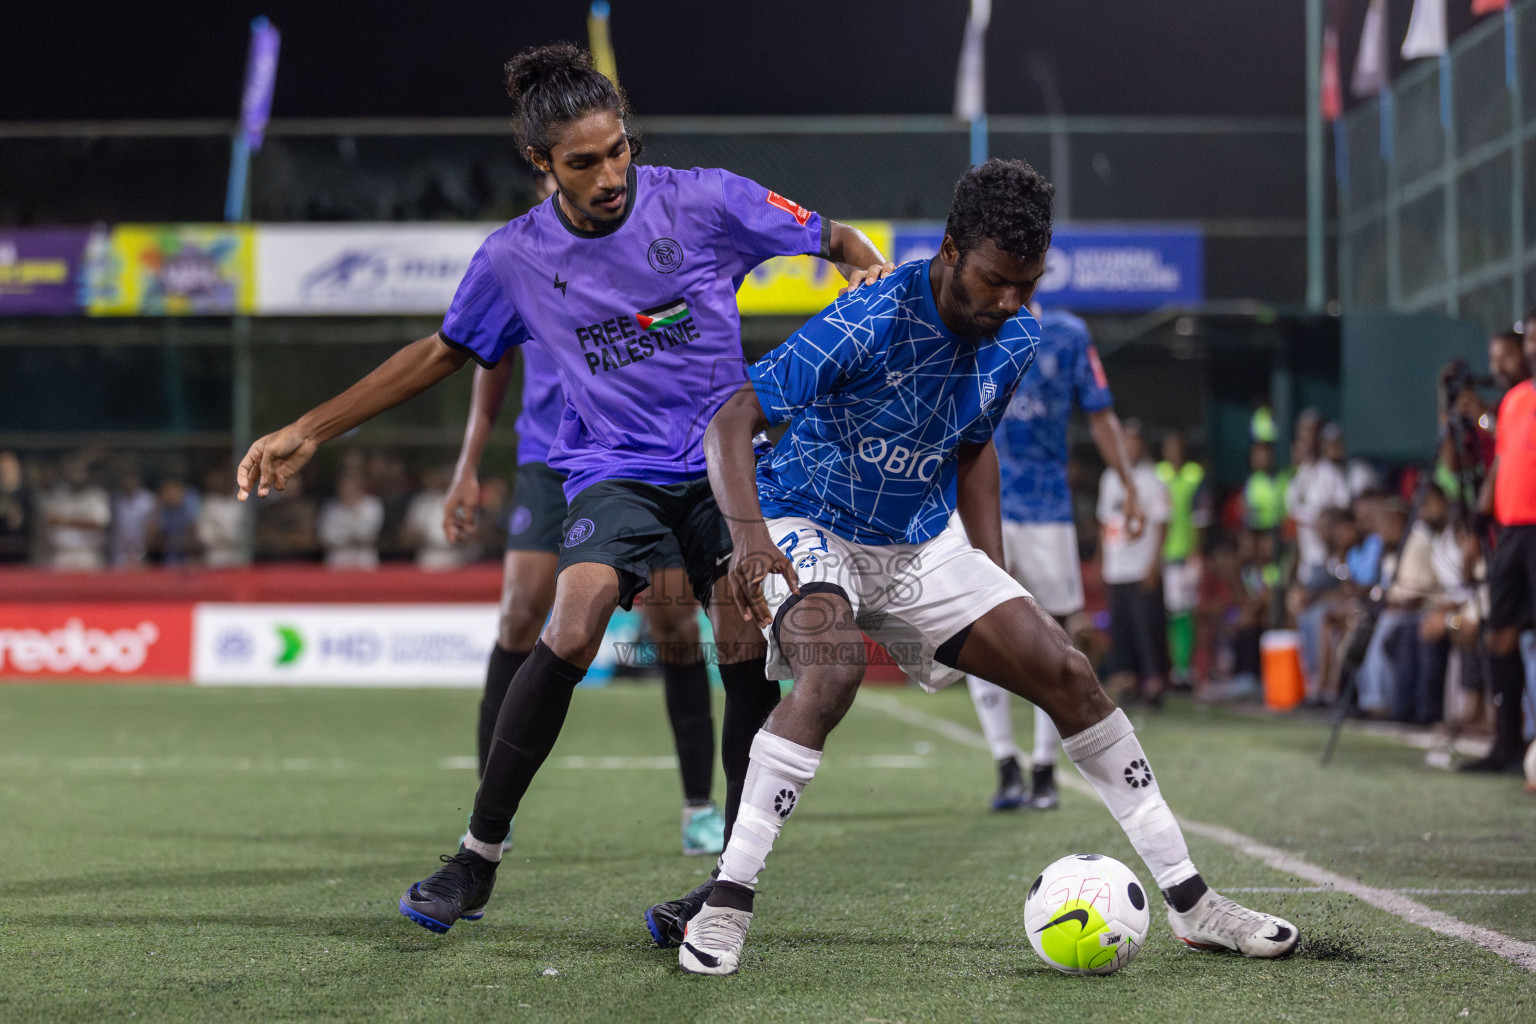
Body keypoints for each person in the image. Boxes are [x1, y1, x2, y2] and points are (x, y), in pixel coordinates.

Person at [235, 43, 894, 936]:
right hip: (613, 470)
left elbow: (833, 237)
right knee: (570, 620)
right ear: (541, 163)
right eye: (584, 161)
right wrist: (309, 428)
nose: (611, 172)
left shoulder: (700, 199)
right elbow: (441, 354)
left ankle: (727, 881)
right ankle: (476, 858)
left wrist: (862, 269)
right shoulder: (514, 258)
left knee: (741, 643)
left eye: (618, 148)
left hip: (721, 466)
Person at [683, 158, 1297, 976]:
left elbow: (973, 451)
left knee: (1068, 671)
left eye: (1027, 284)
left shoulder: (1019, 336)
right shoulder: (868, 316)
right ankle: (728, 900)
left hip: (921, 541)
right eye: (995, 281)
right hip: (807, 521)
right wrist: (752, 537)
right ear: (948, 252)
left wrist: (992, 573)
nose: (1009, 301)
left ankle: (1195, 905)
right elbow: (732, 420)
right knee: (830, 677)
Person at [441, 338, 725, 856]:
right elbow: (488, 357)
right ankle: (490, 813)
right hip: (548, 459)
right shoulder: (518, 261)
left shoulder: (643, 262)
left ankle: (699, 808)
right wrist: (468, 465)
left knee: (677, 626)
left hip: (641, 454)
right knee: (519, 615)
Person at [964, 301, 1142, 812]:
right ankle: (1005, 764)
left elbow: (1101, 412)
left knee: (1054, 634)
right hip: (981, 499)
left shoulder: (1067, 335)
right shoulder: (972, 321)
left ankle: (1044, 766)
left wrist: (1128, 482)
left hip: (1047, 506)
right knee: (975, 627)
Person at [1099, 420, 1172, 706]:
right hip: (1117, 567)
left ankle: (1154, 683)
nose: (1129, 446)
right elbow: (1105, 521)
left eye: (1134, 441)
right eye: (1124, 440)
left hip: (1141, 566)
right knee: (1121, 629)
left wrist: (1155, 562)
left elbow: (1163, 522)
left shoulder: (1153, 479)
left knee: (1148, 627)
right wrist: (1102, 560)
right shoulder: (1109, 478)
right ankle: (1126, 683)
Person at [1157, 427, 1210, 688]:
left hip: (1186, 555)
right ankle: (1173, 668)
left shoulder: (1194, 476)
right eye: (1169, 446)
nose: (1173, 451)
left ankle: (1184, 669)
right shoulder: (1159, 475)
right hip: (1164, 556)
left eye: (1177, 446)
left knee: (1185, 611)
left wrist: (1196, 552)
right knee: (1169, 612)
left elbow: (1201, 519)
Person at [317, 472, 384, 569]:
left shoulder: (373, 505)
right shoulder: (329, 508)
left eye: (350, 484)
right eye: (343, 484)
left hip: (365, 564)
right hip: (336, 565)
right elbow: (326, 537)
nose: (347, 488)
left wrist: (343, 535)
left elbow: (367, 534)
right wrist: (352, 537)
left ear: (359, 485)